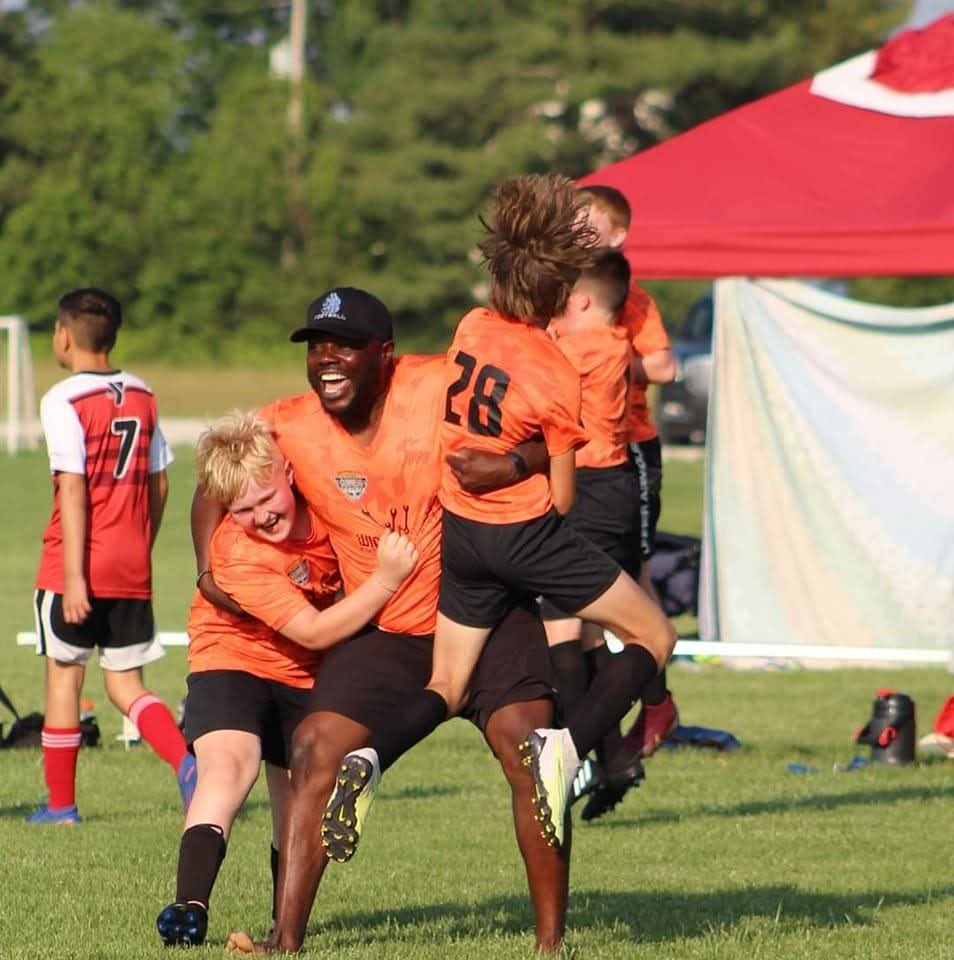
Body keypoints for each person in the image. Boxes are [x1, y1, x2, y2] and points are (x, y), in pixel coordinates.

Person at [199, 289, 567, 953]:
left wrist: (513, 463)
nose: (327, 359)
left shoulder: (435, 385)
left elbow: (550, 434)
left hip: (485, 611)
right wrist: (205, 570)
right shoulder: (289, 425)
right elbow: (213, 478)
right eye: (317, 347)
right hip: (392, 631)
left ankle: (550, 943)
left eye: (343, 345)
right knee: (314, 745)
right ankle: (286, 941)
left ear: (385, 355)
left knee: (534, 753)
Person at [336, 175, 675, 855]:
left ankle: (371, 759)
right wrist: (525, 464)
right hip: (526, 535)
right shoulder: (555, 370)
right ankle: (571, 750)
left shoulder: (471, 326)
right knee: (654, 637)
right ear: (559, 295)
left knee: (447, 682)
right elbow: (564, 499)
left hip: (462, 535)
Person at [156, 411, 418, 947]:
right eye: (243, 510)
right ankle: (188, 908)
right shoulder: (238, 551)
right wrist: (389, 579)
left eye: (266, 499)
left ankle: (285, 925)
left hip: (305, 673)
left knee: (297, 803)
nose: (261, 516)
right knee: (230, 768)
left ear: (289, 474)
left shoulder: (324, 500)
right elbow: (316, 630)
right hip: (232, 656)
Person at [29, 287, 194, 825]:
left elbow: (73, 488)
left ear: (64, 335)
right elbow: (161, 482)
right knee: (127, 686)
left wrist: (75, 577)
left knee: (64, 678)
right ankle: (186, 763)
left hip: (74, 565)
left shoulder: (62, 400)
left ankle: (60, 807)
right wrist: (138, 545)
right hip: (130, 565)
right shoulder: (143, 393)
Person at [540, 248, 647, 821]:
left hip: (591, 488)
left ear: (581, 301)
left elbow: (534, 365)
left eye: (562, 299)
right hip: (607, 488)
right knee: (581, 636)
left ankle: (573, 752)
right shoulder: (615, 341)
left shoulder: (586, 345)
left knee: (560, 631)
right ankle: (614, 754)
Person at [579, 185, 680, 765]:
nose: (577, 234)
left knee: (629, 575)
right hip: (576, 456)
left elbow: (664, 365)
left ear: (618, 237)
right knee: (585, 596)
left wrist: (608, 363)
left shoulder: (630, 299)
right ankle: (603, 737)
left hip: (629, 450)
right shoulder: (566, 296)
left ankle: (657, 696)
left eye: (588, 226)